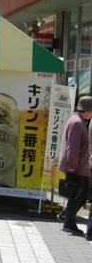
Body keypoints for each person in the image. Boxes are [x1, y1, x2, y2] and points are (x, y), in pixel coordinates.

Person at [58, 96, 92, 237]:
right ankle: (68, 222)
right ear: (88, 110)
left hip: (78, 167)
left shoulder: (77, 120)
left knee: (81, 194)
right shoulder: (77, 123)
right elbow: (73, 147)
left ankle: (66, 217)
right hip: (75, 167)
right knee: (77, 195)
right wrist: (72, 167)